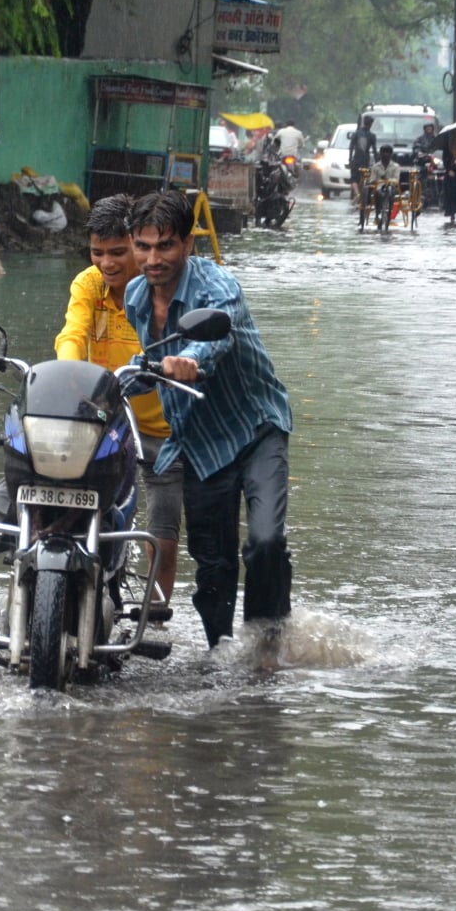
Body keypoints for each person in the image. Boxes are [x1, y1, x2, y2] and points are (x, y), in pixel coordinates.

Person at [123, 190, 293, 649]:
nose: (153, 259)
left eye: (166, 246)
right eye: (143, 246)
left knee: (265, 543)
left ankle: (267, 645)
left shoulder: (218, 286)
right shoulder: (136, 297)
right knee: (213, 564)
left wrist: (190, 360)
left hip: (256, 429)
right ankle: (221, 652)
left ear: (188, 245)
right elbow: (149, 364)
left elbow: (214, 337)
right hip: (199, 441)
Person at [54, 194, 183, 607]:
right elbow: (72, 334)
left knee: (162, 532)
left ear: (137, 245)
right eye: (97, 253)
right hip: (109, 420)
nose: (107, 264)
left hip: (163, 428)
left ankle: (157, 612)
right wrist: (67, 375)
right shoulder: (88, 284)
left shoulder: (161, 288)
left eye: (118, 253)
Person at [363, 144, 399, 230]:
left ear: (391, 154)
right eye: (383, 152)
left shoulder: (395, 167)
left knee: (390, 193)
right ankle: (377, 213)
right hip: (379, 187)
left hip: (391, 187)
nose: (385, 154)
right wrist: (376, 181)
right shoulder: (375, 167)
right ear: (380, 154)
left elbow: (396, 180)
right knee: (378, 193)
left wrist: (388, 180)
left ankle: (388, 215)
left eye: (387, 152)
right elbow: (372, 179)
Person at [346, 114, 377, 207]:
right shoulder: (372, 136)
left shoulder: (356, 134)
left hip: (356, 158)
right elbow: (375, 150)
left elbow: (351, 147)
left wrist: (350, 158)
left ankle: (357, 194)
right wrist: (377, 161)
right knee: (363, 178)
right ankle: (360, 195)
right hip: (365, 160)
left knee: (354, 178)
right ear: (371, 124)